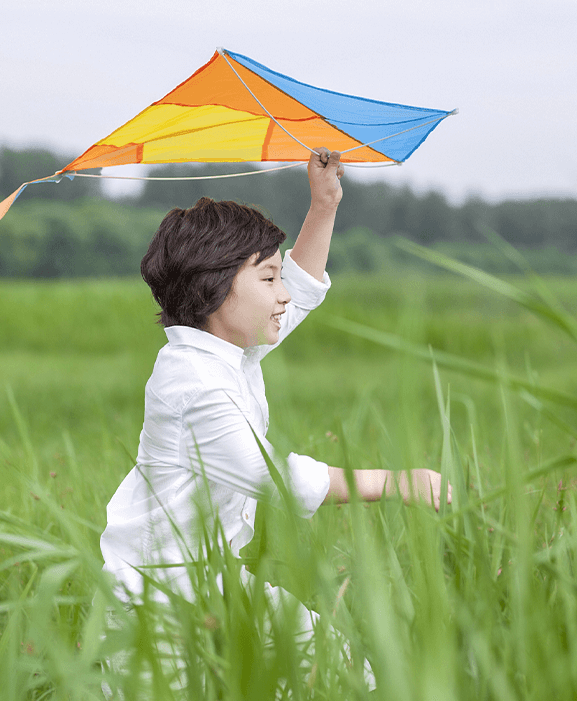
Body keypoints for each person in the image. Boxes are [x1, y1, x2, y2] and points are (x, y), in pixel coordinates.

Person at [100, 147, 451, 606]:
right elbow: (276, 479)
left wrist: (324, 205)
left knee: (332, 652)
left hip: (210, 583)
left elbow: (300, 293)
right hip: (158, 603)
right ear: (214, 288)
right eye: (269, 279)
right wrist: (400, 483)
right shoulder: (193, 383)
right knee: (328, 652)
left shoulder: (228, 352)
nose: (283, 294)